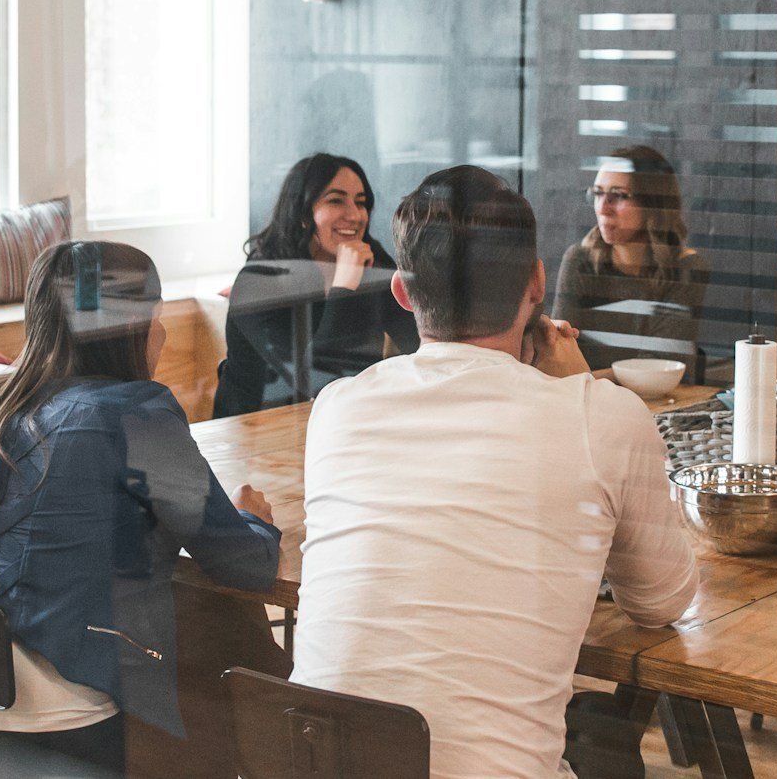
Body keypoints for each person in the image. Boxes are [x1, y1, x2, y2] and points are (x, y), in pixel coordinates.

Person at [291, 165, 696, 779]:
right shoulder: (602, 416)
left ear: (402, 291)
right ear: (537, 284)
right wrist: (578, 388)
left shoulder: (337, 407)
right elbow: (662, 601)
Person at [0, 241, 290, 777]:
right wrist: (255, 519)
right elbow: (245, 565)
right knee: (226, 636)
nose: (162, 334)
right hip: (56, 719)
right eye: (158, 318)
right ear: (134, 326)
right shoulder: (134, 415)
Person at [215, 154, 420, 417]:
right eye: (336, 201)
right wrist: (345, 286)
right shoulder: (258, 282)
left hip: (344, 419)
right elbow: (316, 382)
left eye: (361, 203)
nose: (355, 215)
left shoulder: (372, 261)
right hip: (256, 429)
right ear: (302, 213)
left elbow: (420, 341)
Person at [551, 144, 711, 376]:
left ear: (652, 205)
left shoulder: (686, 268)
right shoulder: (580, 260)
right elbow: (558, 352)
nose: (603, 208)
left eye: (618, 196)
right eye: (597, 193)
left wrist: (582, 378)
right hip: (587, 401)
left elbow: (660, 365)